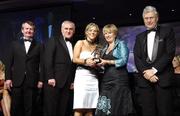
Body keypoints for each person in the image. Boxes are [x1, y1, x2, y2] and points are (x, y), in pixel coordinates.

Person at [133, 6, 176, 116]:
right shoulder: (139, 37)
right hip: (145, 80)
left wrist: (153, 70)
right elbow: (137, 58)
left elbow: (169, 53)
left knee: (165, 112)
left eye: (151, 17)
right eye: (146, 18)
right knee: (148, 112)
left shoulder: (168, 31)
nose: (149, 20)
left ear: (157, 18)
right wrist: (147, 73)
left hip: (163, 79)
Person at [5, 20, 44, 116]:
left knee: (30, 108)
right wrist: (8, 78)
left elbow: (42, 64)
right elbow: (9, 63)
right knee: (15, 107)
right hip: (17, 80)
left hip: (32, 80)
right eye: (26, 29)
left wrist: (41, 80)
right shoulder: (14, 44)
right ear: (22, 30)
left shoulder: (39, 45)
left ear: (34, 31)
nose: (29, 31)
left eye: (31, 29)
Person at [95, 24, 135, 116]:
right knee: (104, 106)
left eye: (110, 33)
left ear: (115, 34)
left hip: (119, 79)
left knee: (117, 106)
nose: (107, 35)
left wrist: (107, 61)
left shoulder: (121, 43)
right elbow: (103, 64)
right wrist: (98, 64)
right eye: (105, 33)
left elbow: (123, 61)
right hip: (106, 79)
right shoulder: (104, 48)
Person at [43, 20, 76, 116]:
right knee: (51, 110)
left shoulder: (74, 44)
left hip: (67, 82)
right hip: (54, 81)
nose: (68, 31)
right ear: (61, 30)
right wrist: (50, 77)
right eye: (66, 29)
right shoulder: (53, 40)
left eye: (71, 29)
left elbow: (72, 65)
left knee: (63, 109)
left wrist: (72, 81)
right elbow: (48, 59)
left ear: (74, 31)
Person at [73, 23, 100, 116]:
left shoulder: (98, 47)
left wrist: (96, 65)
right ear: (86, 32)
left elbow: (98, 62)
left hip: (93, 78)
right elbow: (74, 59)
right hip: (82, 77)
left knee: (90, 109)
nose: (92, 32)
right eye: (90, 30)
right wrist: (85, 61)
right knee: (79, 107)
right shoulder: (80, 42)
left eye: (95, 31)